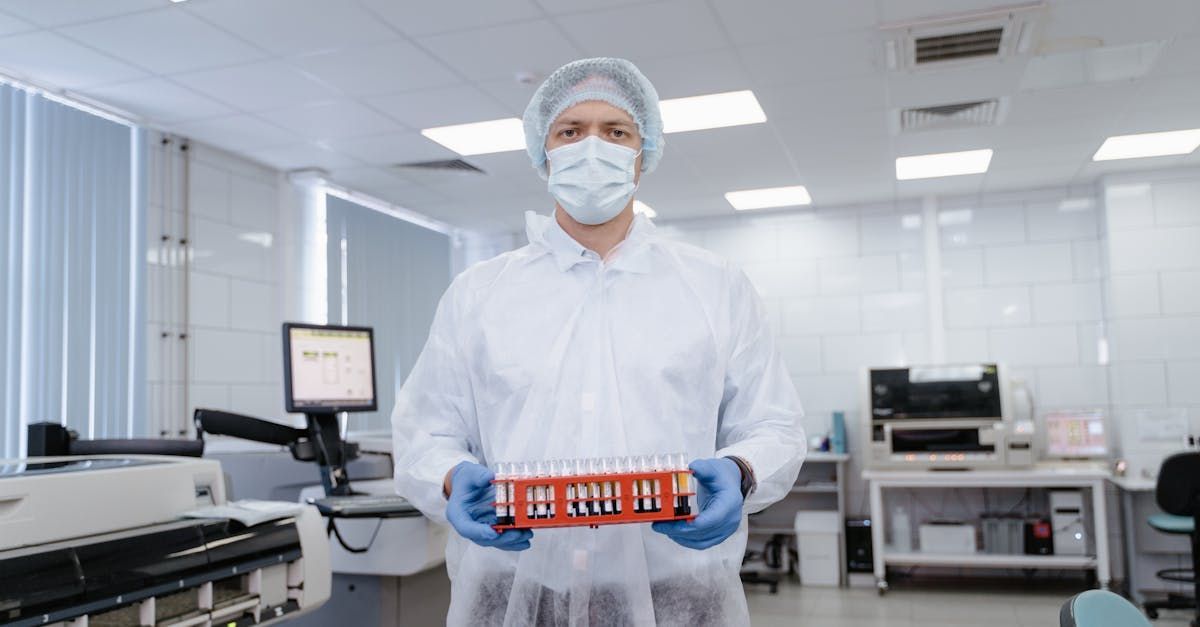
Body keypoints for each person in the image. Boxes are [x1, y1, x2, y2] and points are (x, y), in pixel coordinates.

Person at [392, 57, 805, 626]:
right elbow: (426, 430)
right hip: (515, 590)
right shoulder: (479, 294)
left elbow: (774, 426)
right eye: (570, 131)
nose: (592, 147)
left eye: (615, 131)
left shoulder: (715, 287)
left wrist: (740, 469)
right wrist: (449, 474)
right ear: (544, 152)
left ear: (642, 154)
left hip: (679, 592)